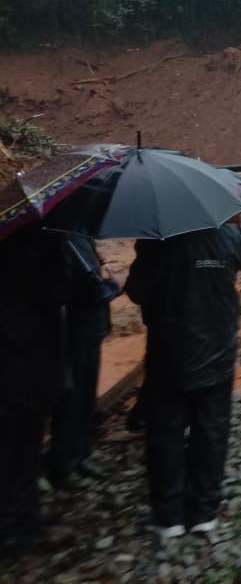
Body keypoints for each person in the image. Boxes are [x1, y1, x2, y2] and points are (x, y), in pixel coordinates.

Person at [124, 211, 241, 545]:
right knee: (212, 432)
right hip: (218, 355)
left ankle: (169, 517)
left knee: (166, 432)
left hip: (169, 356)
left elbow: (137, 292)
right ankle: (204, 514)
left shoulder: (156, 243)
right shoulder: (228, 236)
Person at [0, 224, 69, 559]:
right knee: (21, 450)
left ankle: (24, 520)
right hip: (25, 369)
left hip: (20, 368)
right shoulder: (35, 248)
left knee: (18, 451)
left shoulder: (23, 244)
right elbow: (57, 291)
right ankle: (17, 529)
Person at [46, 235, 118, 489]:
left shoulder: (79, 233)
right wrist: (111, 285)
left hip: (90, 327)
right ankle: (64, 462)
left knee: (86, 393)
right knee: (73, 397)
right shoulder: (67, 237)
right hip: (77, 329)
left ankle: (81, 454)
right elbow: (88, 286)